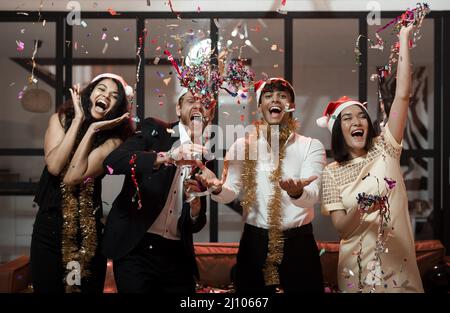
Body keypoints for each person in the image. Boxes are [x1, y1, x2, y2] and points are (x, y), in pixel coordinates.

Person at [317, 25, 423, 293]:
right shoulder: (331, 172)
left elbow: (402, 94)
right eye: (347, 118)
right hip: (356, 269)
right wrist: (362, 209)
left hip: (399, 265)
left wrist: (403, 38)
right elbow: (341, 228)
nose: (357, 121)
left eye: (361, 115)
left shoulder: (386, 147)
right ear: (338, 130)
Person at [197, 78, 326, 293]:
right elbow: (229, 192)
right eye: (268, 96)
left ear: (291, 106)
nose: (275, 99)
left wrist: (298, 192)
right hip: (255, 242)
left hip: (298, 242)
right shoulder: (242, 146)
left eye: (282, 96)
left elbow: (313, 194)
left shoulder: (311, 146)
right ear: (259, 107)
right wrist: (217, 188)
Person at [102, 88, 213, 293]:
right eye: (190, 101)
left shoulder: (206, 157)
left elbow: (195, 225)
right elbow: (112, 162)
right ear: (178, 109)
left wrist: (196, 209)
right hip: (136, 248)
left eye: (204, 103)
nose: (198, 106)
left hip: (177, 255)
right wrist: (169, 156)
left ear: (210, 113)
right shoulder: (155, 130)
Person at [30, 73, 134, 293]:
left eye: (114, 96)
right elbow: (55, 167)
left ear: (116, 107)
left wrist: (93, 129)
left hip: (86, 233)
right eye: (102, 89)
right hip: (48, 226)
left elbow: (74, 176)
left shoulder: (114, 140)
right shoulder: (60, 119)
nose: (106, 95)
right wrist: (78, 120)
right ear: (90, 93)